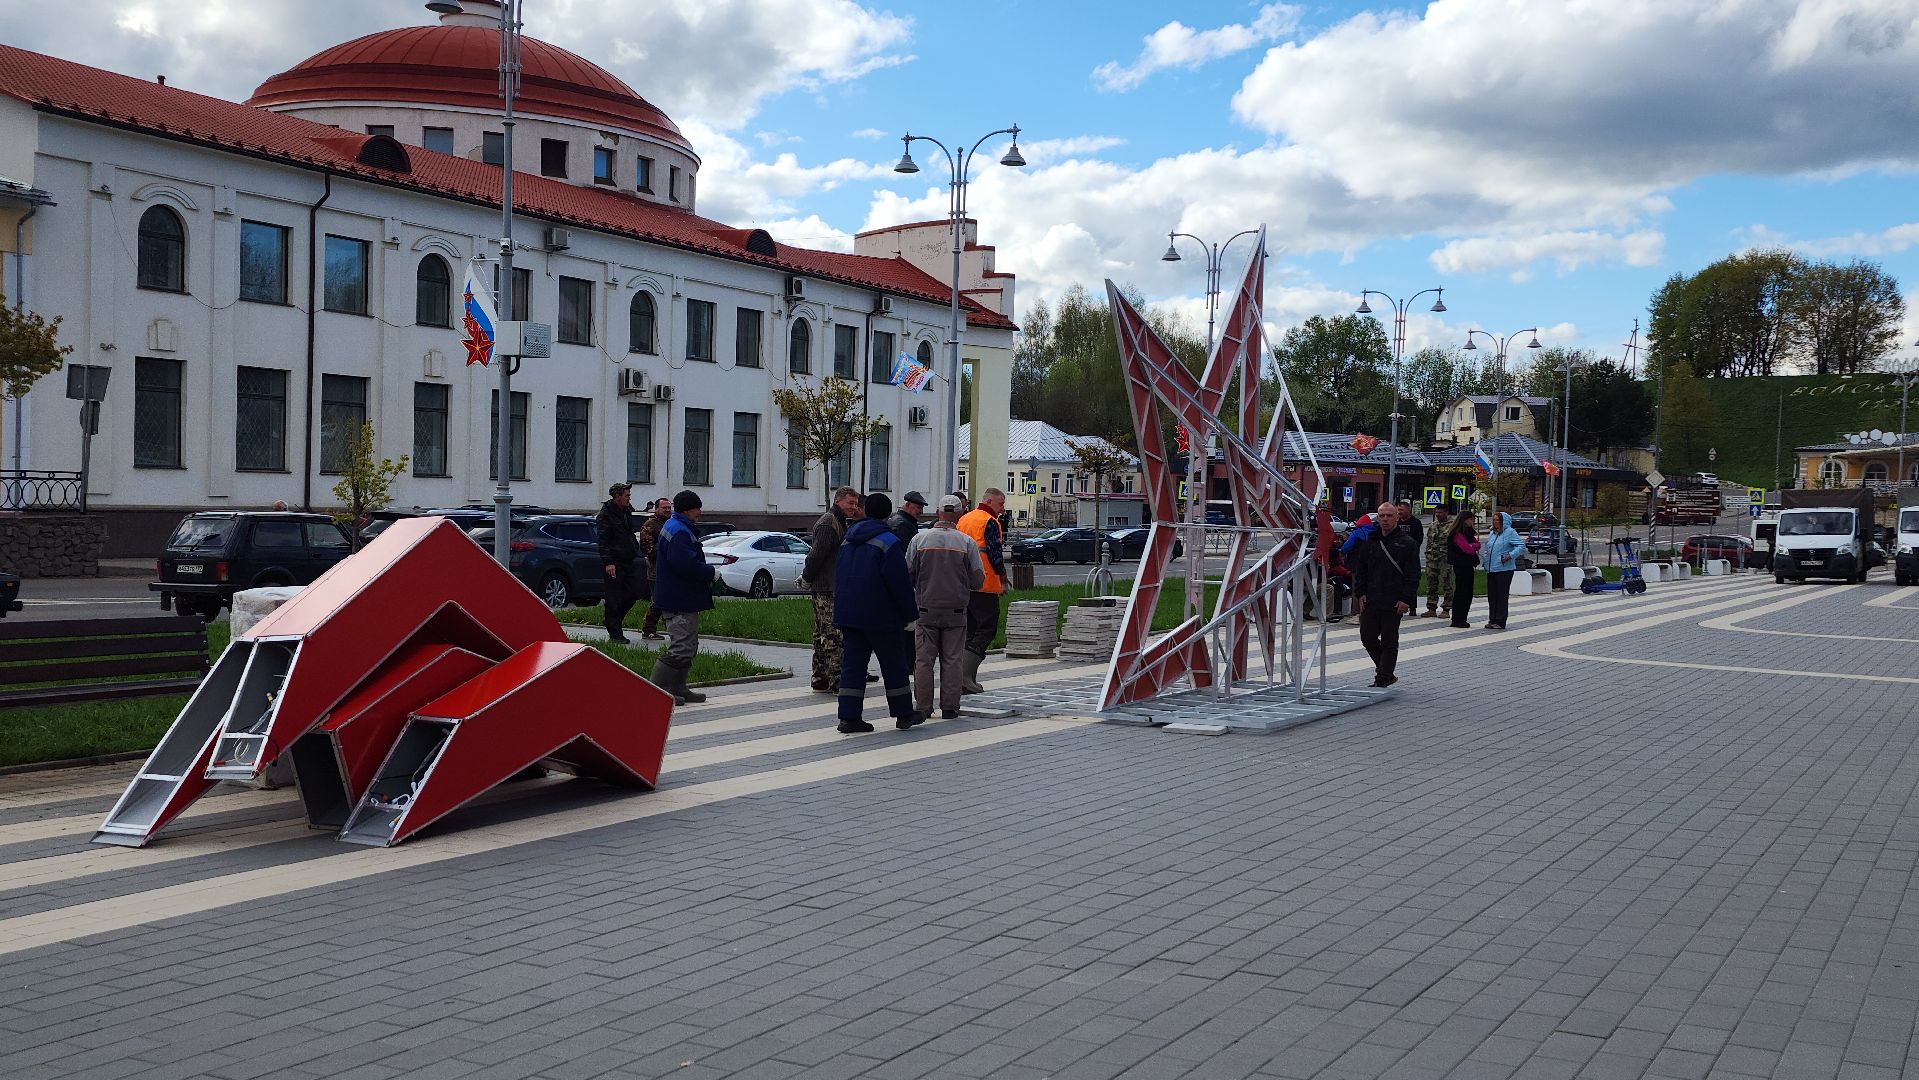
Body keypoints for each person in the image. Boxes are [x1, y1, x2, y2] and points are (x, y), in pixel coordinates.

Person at [833, 493, 920, 733]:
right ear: (888, 515)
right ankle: (903, 714)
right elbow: (898, 582)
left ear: (864, 510)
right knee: (894, 665)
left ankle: (849, 718)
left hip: (849, 614)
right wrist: (909, 614)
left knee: (853, 666)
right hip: (880, 615)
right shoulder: (888, 541)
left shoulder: (847, 540)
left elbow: (839, 576)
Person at [906, 494, 983, 722]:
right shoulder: (966, 542)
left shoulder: (919, 540)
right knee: (952, 659)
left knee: (924, 660)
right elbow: (978, 579)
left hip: (926, 608)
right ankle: (950, 707)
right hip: (956, 611)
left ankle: (923, 706)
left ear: (938, 512)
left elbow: (907, 572)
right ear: (959, 515)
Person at [648, 490, 717, 705]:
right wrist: (710, 572)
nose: (700, 512)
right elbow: (685, 565)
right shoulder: (679, 531)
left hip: (681, 596)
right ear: (688, 509)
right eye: (697, 508)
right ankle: (657, 690)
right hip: (679, 598)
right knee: (681, 646)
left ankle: (678, 687)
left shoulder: (675, 527)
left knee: (688, 645)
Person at [1350, 502, 1421, 688]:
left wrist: (1406, 599)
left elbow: (1413, 574)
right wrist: (1360, 593)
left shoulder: (1407, 543)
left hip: (1394, 600)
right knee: (1367, 637)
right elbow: (1361, 569)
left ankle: (1382, 677)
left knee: (1389, 640)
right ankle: (1386, 670)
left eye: (1389, 515)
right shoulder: (1371, 541)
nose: (1385, 519)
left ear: (1397, 518)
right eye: (1382, 516)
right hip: (1371, 599)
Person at [802, 487, 863, 694]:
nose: (854, 508)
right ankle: (838, 681)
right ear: (838, 501)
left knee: (822, 633)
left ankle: (820, 678)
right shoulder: (829, 523)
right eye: (850, 503)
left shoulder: (837, 521)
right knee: (832, 635)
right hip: (827, 587)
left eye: (856, 504)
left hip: (829, 586)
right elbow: (816, 556)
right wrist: (807, 577)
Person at [955, 487, 1008, 694]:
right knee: (987, 628)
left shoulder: (965, 519)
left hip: (964, 582)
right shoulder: (989, 521)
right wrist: (1003, 578)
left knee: (970, 629)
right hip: (984, 584)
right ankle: (965, 677)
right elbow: (994, 554)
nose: (1002, 508)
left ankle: (966, 678)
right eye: (1000, 503)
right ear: (989, 501)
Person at [594, 482, 640, 644]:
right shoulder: (605, 515)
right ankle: (615, 633)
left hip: (628, 560)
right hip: (614, 562)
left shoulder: (626, 511)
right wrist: (608, 562)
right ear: (617, 496)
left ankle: (612, 621)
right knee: (613, 597)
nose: (629, 498)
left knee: (632, 594)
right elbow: (603, 541)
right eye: (626, 495)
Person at [886, 491, 927, 669]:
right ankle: (908, 662)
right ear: (908, 505)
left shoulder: (899, 521)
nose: (920, 512)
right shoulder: (903, 525)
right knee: (908, 624)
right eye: (918, 508)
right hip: (905, 582)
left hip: (899, 581)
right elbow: (908, 557)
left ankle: (905, 661)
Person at [1480, 511, 1525, 630]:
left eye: (1498, 520)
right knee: (1492, 596)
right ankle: (1492, 619)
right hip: (1491, 569)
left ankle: (1500, 621)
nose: (1495, 522)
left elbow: (1520, 546)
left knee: (1501, 596)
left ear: (1503, 522)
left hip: (1504, 569)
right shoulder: (1492, 534)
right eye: (1494, 520)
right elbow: (1488, 549)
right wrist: (1485, 562)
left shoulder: (1510, 532)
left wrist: (1510, 555)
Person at [636, 497, 671, 640]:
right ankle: (648, 629)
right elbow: (646, 548)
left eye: (669, 507)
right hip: (656, 570)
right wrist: (667, 550)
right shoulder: (650, 525)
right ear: (657, 509)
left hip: (670, 570)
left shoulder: (671, 523)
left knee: (669, 600)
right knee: (657, 600)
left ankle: (671, 628)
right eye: (665, 508)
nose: (668, 510)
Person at [1445, 511, 1481, 628]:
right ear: (1465, 520)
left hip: (1467, 565)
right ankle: (1458, 619)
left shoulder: (1468, 532)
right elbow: (1468, 549)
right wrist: (1474, 546)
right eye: (1471, 519)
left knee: (1467, 592)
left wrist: (1474, 545)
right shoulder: (1457, 533)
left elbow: (1476, 544)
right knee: (1462, 592)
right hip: (1461, 565)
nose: (1473, 522)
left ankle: (1462, 617)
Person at [1421, 506, 1453, 618]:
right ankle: (1431, 608)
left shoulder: (1452, 526)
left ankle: (1446, 608)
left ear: (1446, 513)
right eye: (1436, 512)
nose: (1438, 514)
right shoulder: (1433, 526)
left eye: (1440, 512)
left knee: (1447, 584)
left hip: (1445, 559)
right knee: (1431, 584)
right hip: (1432, 558)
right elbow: (1429, 541)